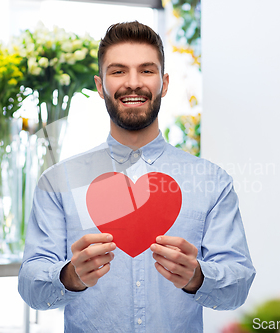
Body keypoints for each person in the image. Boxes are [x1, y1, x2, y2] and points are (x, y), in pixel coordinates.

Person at [18, 21, 255, 333]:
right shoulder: (58, 182)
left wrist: (197, 276)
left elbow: (238, 285)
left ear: (164, 83)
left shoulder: (212, 182)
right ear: (100, 85)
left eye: (146, 70)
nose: (133, 83)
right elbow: (30, 285)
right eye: (118, 71)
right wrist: (70, 276)